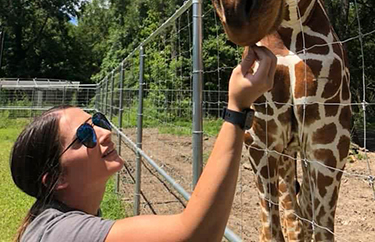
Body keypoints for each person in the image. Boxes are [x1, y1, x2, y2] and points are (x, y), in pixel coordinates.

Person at [11, 45, 276, 242]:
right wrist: (237, 108)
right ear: (56, 179)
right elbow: (195, 235)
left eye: (98, 121)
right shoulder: (61, 234)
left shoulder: (61, 219)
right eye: (84, 135)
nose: (104, 134)